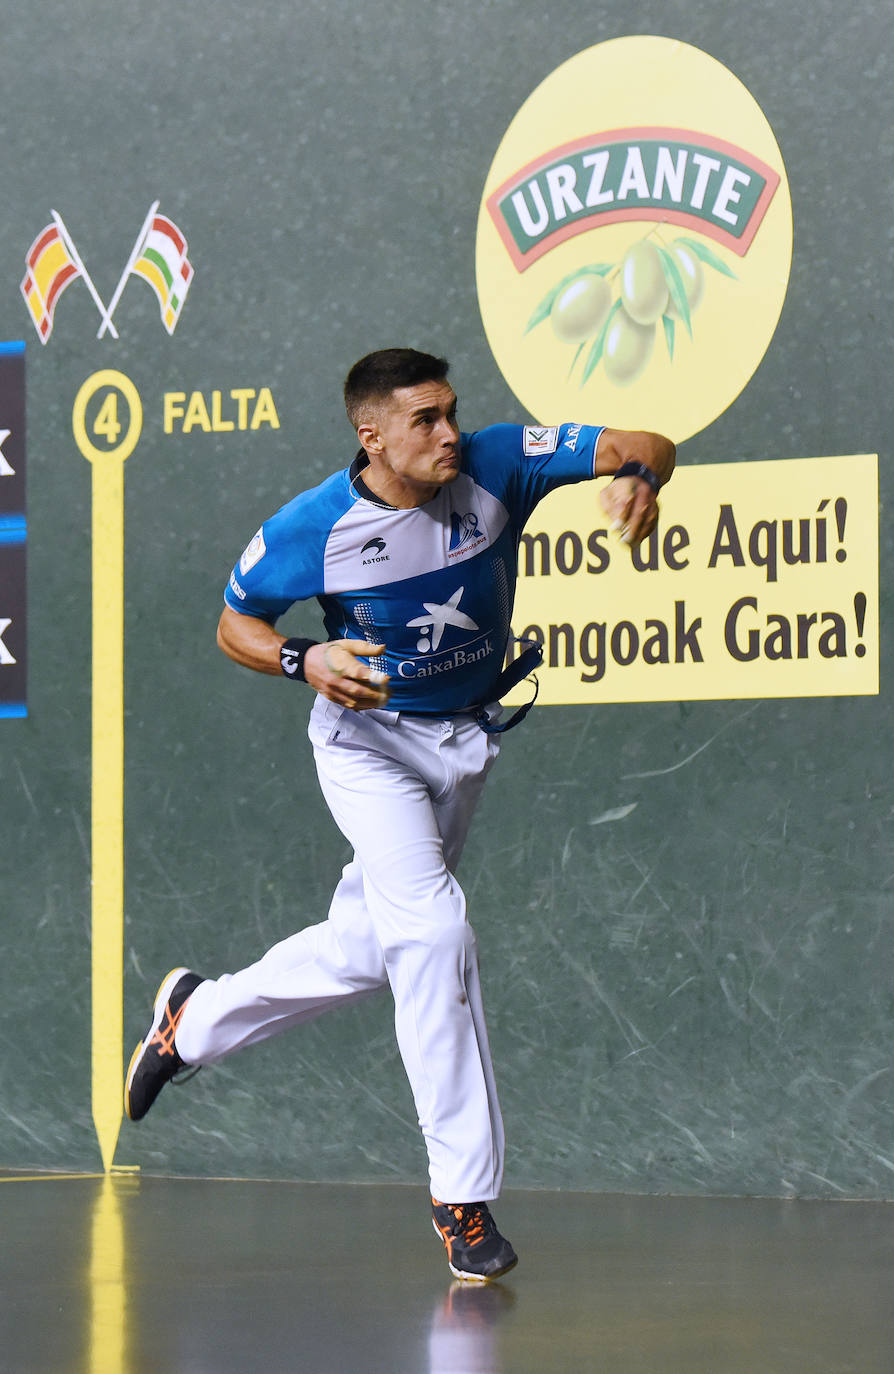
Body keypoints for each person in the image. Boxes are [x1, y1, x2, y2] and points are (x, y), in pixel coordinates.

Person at [123, 348, 675, 1281]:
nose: (449, 432)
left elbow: (646, 441)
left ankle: (195, 1019)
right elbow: (235, 622)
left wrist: (634, 477)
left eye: (451, 412)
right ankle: (462, 1198)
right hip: (366, 747)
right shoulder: (315, 527)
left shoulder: (499, 464)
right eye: (424, 420)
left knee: (372, 945)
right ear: (370, 434)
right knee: (434, 936)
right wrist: (303, 660)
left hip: (463, 741)